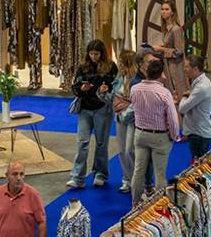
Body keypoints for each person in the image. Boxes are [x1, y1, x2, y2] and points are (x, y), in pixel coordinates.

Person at [129, 58, 180, 205]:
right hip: (159, 136)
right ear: (161, 74)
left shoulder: (134, 89)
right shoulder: (164, 93)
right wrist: (174, 136)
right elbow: (173, 119)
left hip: (139, 134)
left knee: (138, 171)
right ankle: (158, 206)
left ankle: (135, 204)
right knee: (160, 174)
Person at [68, 39, 118, 189]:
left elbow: (116, 87)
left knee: (101, 144)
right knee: (82, 142)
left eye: (96, 54)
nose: (94, 57)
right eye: (91, 53)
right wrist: (81, 89)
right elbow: (75, 87)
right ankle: (77, 177)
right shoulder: (83, 67)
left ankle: (100, 174)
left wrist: (106, 90)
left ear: (102, 54)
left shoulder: (111, 67)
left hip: (102, 108)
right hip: (85, 108)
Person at [112, 50, 140, 194]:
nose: (119, 64)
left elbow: (136, 103)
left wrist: (124, 112)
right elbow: (113, 95)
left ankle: (137, 178)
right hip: (119, 116)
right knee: (122, 150)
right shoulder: (119, 77)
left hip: (132, 119)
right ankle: (126, 179)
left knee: (130, 150)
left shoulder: (136, 79)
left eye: (121, 62)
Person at [178, 55, 211, 159]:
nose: (184, 70)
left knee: (199, 166)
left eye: (186, 67)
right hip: (197, 131)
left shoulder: (201, 87)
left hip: (199, 134)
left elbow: (182, 108)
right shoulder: (200, 82)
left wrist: (184, 96)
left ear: (195, 69)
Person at [153, 2, 187, 96]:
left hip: (176, 65)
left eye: (167, 9)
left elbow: (179, 51)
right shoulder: (166, 28)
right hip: (168, 64)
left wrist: (161, 49)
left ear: (172, 12)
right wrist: (162, 46)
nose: (164, 12)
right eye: (162, 9)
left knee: (178, 90)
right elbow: (170, 46)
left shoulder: (175, 29)